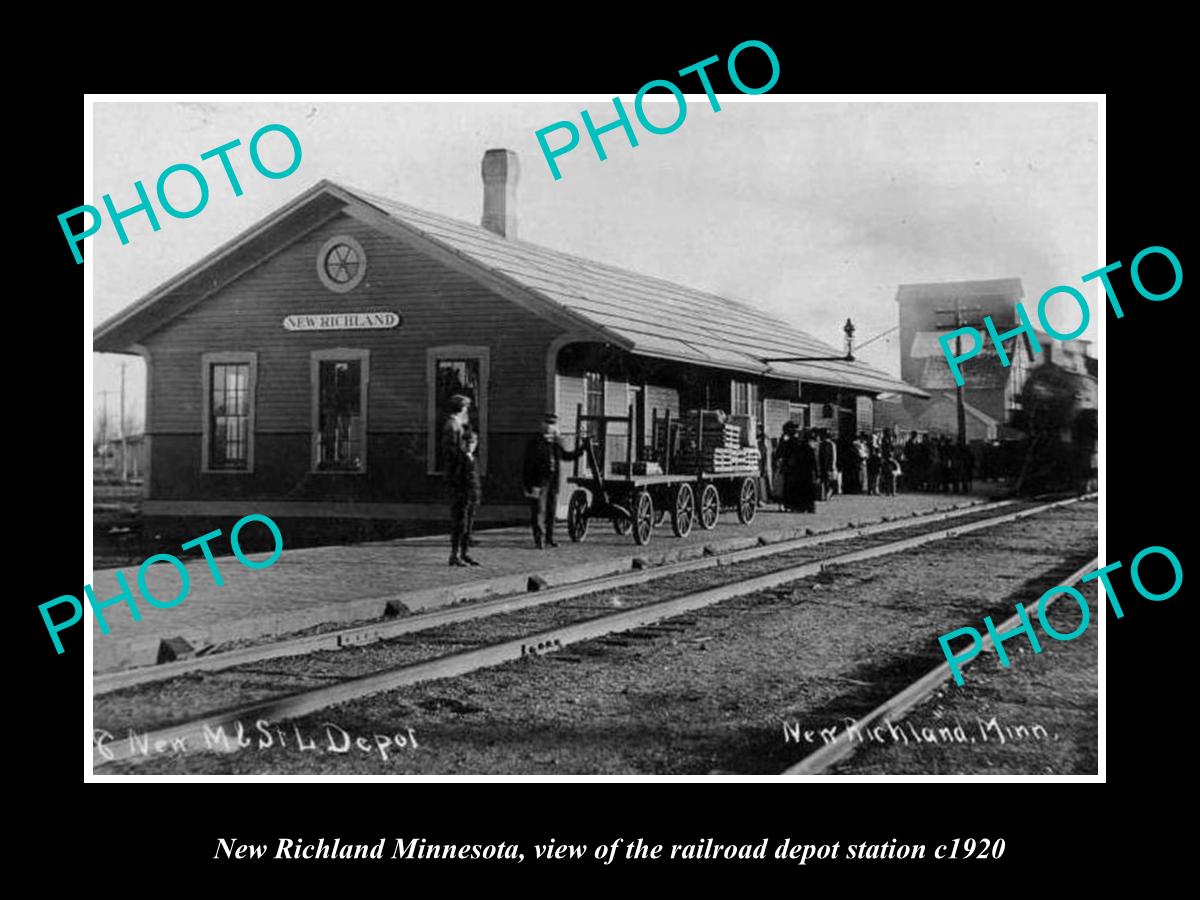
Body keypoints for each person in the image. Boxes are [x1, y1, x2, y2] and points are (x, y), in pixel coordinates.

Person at [522, 413, 586, 548]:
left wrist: (581, 450)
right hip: (538, 482)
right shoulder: (535, 442)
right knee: (539, 511)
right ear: (542, 425)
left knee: (551, 510)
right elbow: (527, 465)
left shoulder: (556, 443)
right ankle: (539, 539)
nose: (550, 427)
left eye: (553, 424)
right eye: (548, 424)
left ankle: (550, 538)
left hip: (553, 481)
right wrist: (528, 485)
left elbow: (566, 456)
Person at [442, 394, 478, 567]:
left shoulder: (460, 425)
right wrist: (466, 453)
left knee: (468, 516)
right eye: (466, 408)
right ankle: (455, 554)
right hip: (459, 478)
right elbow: (453, 454)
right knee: (460, 517)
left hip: (466, 477)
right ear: (462, 408)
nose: (468, 412)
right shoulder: (452, 426)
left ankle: (464, 553)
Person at [817, 429, 838, 501]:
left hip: (825, 466)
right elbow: (834, 456)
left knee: (826, 481)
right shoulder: (831, 444)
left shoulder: (823, 445)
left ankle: (826, 494)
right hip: (828, 466)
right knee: (829, 481)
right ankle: (827, 494)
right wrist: (833, 466)